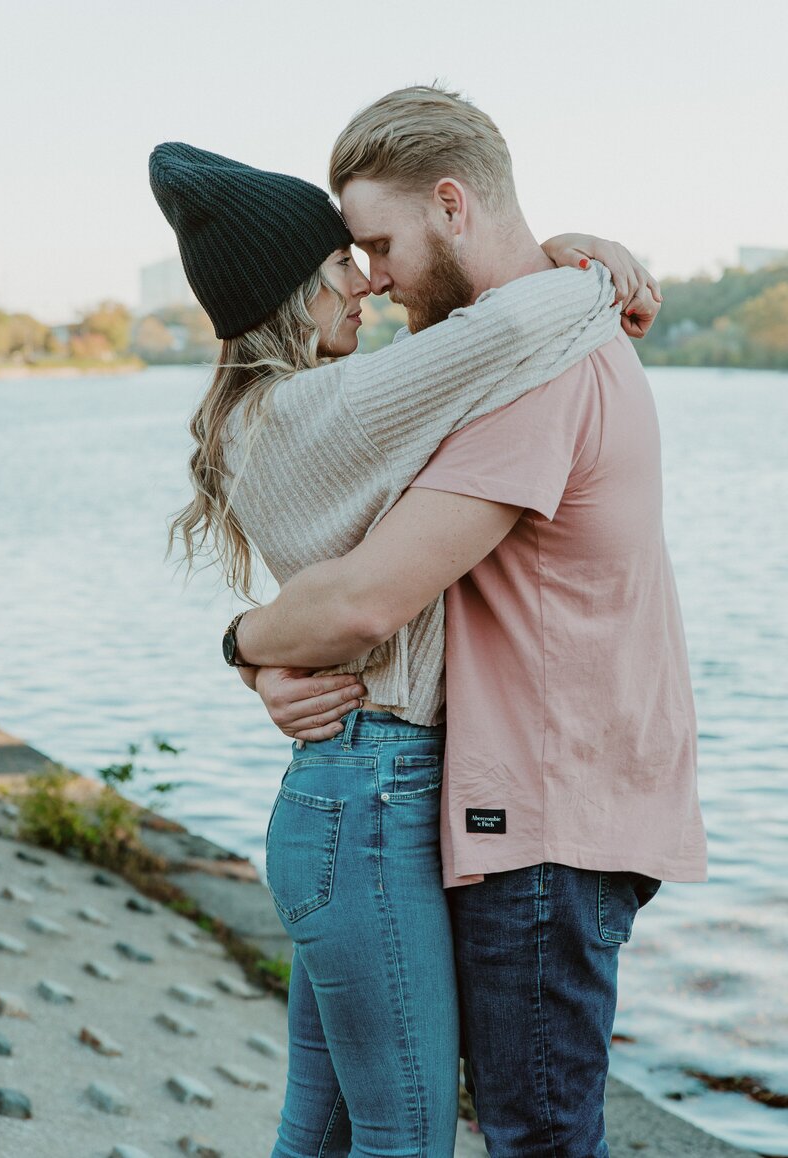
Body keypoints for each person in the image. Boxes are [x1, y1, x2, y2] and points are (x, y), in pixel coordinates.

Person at [150, 134, 658, 1153]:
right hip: (371, 796)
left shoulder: (278, 410)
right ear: (294, 286)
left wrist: (247, 651)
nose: (367, 286)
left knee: (324, 1124)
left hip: (349, 789)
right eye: (345, 261)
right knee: (406, 1137)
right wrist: (593, 264)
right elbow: (512, 324)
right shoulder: (323, 407)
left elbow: (481, 337)